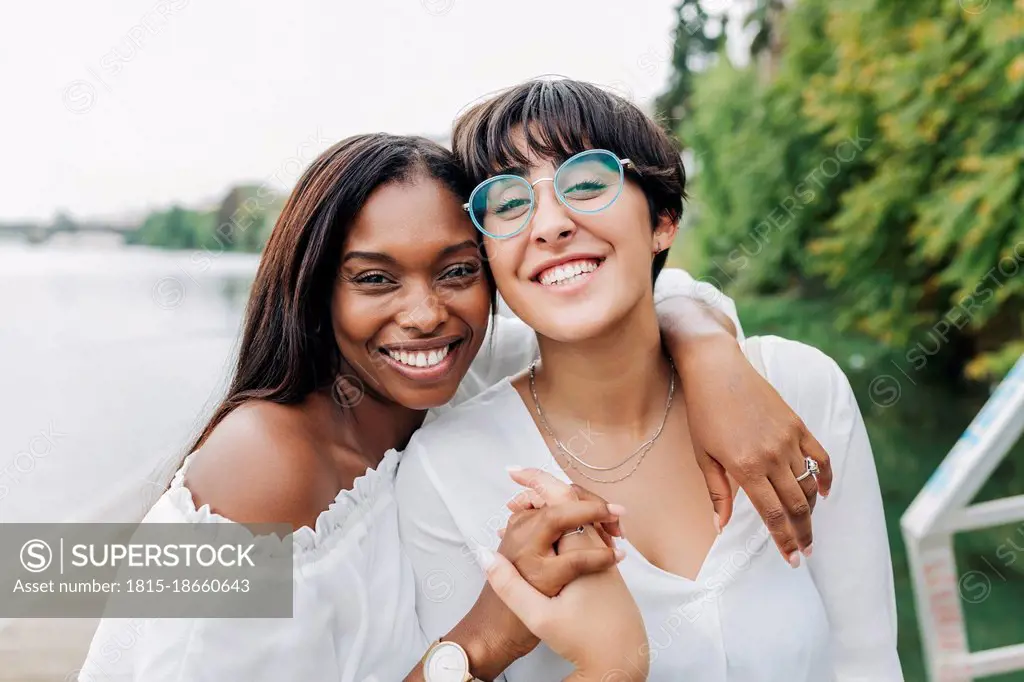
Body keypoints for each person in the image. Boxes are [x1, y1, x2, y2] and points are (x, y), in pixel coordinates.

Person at [80, 129, 832, 681]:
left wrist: (712, 357)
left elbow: (640, 296)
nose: (425, 314)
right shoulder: (262, 463)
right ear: (315, 290)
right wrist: (485, 638)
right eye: (375, 279)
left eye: (457, 271)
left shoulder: (469, 366)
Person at [396, 78, 903, 681]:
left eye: (586, 184)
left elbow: (867, 660)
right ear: (488, 256)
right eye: (509, 204)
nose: (550, 224)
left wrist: (707, 344)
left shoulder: (795, 389)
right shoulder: (440, 469)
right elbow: (252, 621)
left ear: (663, 220)